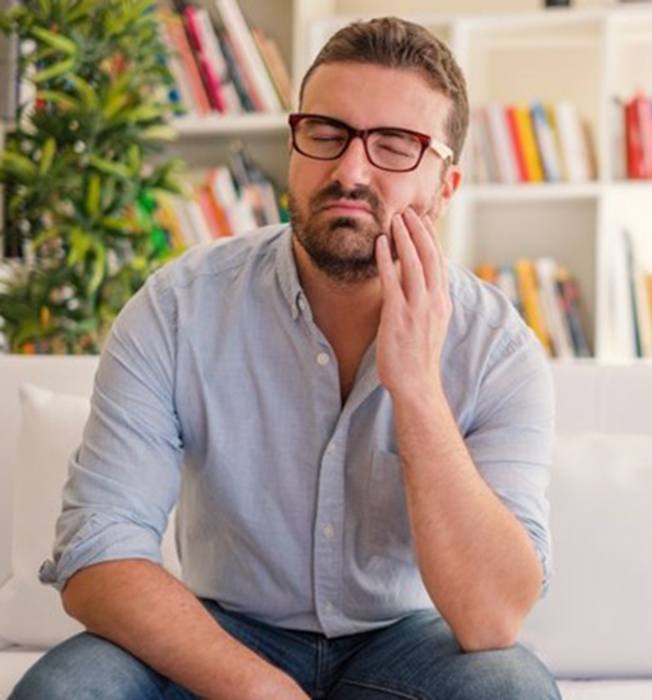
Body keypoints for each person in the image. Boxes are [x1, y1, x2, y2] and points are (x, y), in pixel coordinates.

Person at [11, 16, 561, 700]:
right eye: (326, 134)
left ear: (445, 188)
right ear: (295, 149)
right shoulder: (180, 308)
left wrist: (416, 385)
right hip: (226, 630)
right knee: (64, 690)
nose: (350, 170)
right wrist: (255, 687)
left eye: (395, 145)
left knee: (511, 687)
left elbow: (491, 617)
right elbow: (99, 551)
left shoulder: (498, 350)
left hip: (408, 643)